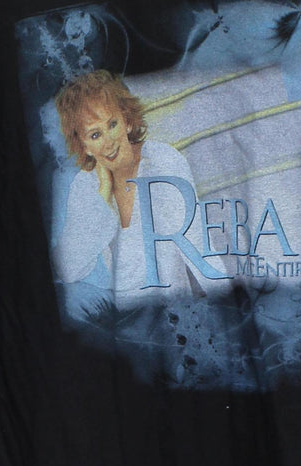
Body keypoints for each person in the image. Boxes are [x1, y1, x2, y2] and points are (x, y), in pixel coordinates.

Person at [51, 69, 200, 308]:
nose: (109, 142)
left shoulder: (163, 160)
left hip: (180, 312)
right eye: (95, 135)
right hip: (128, 318)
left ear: (127, 121)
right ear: (84, 145)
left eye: (112, 124)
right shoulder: (86, 184)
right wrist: (103, 193)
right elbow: (68, 268)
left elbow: (197, 244)